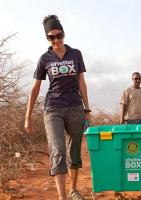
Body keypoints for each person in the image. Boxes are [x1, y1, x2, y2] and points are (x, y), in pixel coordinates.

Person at [24, 15, 90, 200]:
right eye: (51, 37)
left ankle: (74, 190)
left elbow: (82, 83)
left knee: (74, 149)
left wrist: (87, 109)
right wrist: (28, 115)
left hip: (75, 107)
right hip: (53, 108)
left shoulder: (76, 54)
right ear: (47, 39)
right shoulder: (45, 58)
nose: (56, 40)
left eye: (58, 35)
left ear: (64, 34)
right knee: (57, 150)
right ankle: (62, 197)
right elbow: (36, 88)